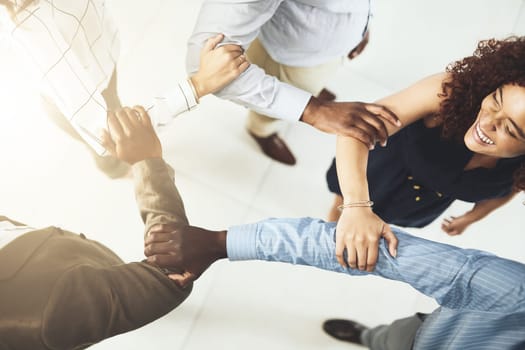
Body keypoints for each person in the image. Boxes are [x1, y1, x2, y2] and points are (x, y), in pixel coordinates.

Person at [0, 43, 247, 347]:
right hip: (90, 285)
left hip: (75, 264)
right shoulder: (50, 313)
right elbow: (169, 275)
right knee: (131, 290)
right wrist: (148, 162)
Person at [142, 219, 525, 350]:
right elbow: (365, 247)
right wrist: (220, 242)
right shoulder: (514, 294)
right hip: (418, 342)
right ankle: (368, 337)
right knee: (385, 338)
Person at [325, 36, 525, 279]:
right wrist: (356, 206)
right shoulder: (449, 91)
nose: (486, 122)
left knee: (384, 217)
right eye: (495, 100)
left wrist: (470, 218)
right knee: (342, 202)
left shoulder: (518, 169)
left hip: (419, 204)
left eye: (510, 129)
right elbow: (354, 129)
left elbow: (508, 190)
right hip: (380, 170)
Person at [0, 0, 248, 177]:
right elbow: (107, 131)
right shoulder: (33, 26)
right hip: (86, 94)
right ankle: (119, 171)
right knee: (109, 150)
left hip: (101, 67)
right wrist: (197, 86)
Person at [184, 0, 400, 165]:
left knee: (308, 83)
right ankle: (260, 131)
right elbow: (204, 64)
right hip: (286, 54)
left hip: (329, 46)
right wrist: (312, 109)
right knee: (275, 106)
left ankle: (307, 89)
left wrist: (362, 24)